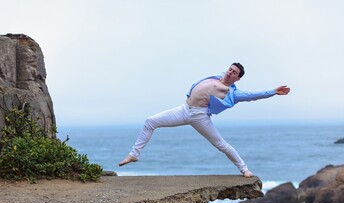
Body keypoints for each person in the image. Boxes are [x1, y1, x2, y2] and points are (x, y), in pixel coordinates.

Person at [119, 63, 290, 178]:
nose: (230, 72)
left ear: (238, 78)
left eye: (235, 73)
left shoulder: (232, 92)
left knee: (221, 145)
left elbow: (253, 96)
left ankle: (244, 169)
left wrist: (273, 92)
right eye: (230, 69)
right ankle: (134, 155)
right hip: (184, 109)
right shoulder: (215, 77)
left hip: (199, 116)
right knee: (150, 121)